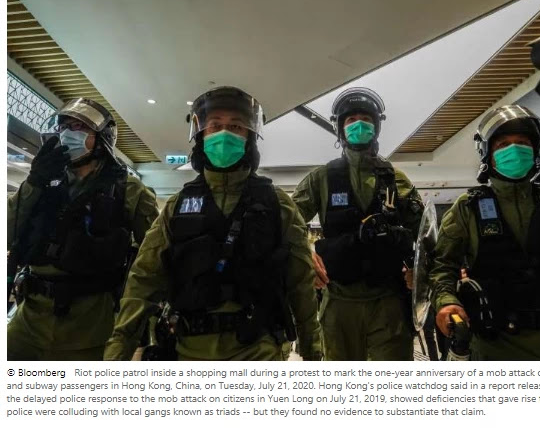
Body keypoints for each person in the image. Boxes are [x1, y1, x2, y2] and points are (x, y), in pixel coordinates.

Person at [104, 86, 321, 361]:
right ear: (201, 135)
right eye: (215, 126)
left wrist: (313, 353)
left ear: (249, 137)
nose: (224, 134)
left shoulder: (278, 205)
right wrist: (117, 355)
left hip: (258, 350)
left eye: (236, 126)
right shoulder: (177, 206)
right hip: (189, 350)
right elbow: (143, 281)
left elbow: (301, 285)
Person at [429, 105, 540, 361]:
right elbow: (442, 266)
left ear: (535, 151)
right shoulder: (467, 209)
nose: (514, 150)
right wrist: (447, 301)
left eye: (522, 143)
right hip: (494, 347)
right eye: (503, 144)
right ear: (488, 154)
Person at [7, 98, 159, 361]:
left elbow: (153, 260)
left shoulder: (129, 189)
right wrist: (34, 182)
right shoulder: (42, 182)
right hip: (27, 324)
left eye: (79, 127)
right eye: (64, 126)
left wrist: (136, 324)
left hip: (90, 329)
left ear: (102, 138)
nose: (68, 133)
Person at [292, 87, 424, 361]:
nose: (359, 125)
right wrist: (306, 256)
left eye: (366, 119)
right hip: (339, 302)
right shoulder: (321, 178)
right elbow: (288, 224)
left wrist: (419, 271)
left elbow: (424, 235)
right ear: (340, 129)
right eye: (351, 120)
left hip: (388, 301)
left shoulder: (396, 179)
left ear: (376, 127)